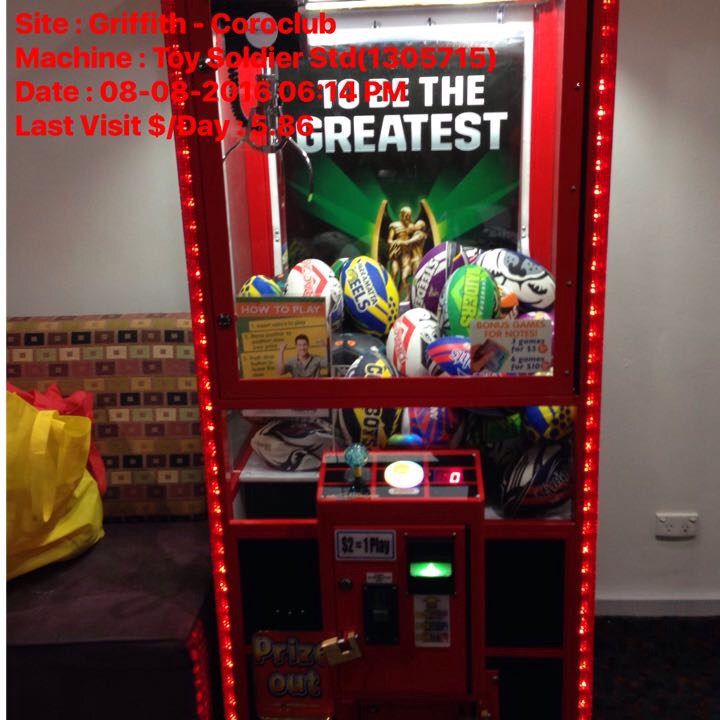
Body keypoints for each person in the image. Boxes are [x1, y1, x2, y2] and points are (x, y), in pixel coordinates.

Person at [386, 206, 427, 296]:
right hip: (396, 252)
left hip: (406, 254)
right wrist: (396, 243)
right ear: (401, 215)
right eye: (406, 215)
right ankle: (390, 295)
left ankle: (401, 295)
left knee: (404, 276)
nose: (407, 218)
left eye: (409, 216)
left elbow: (415, 237)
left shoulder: (412, 226)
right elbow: (389, 240)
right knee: (394, 272)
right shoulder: (394, 225)